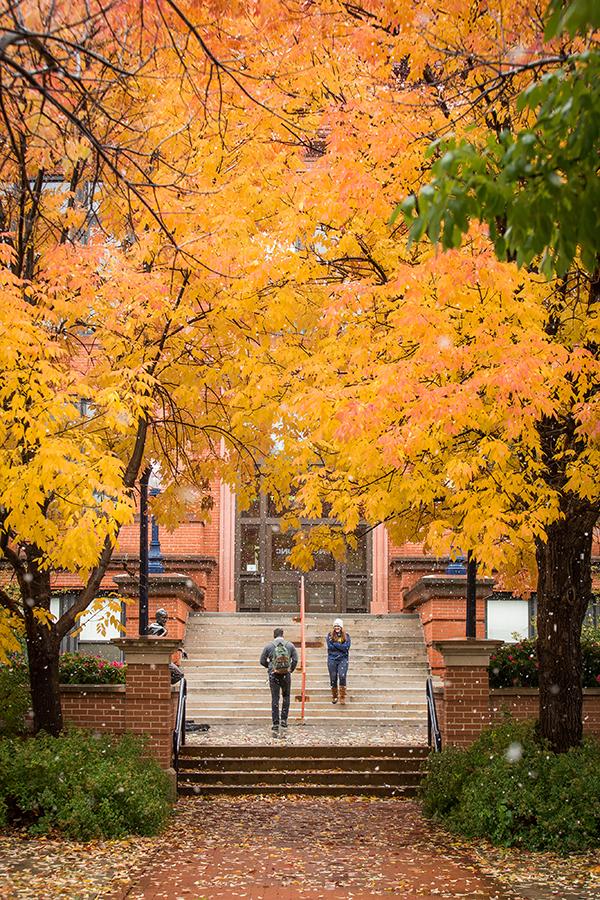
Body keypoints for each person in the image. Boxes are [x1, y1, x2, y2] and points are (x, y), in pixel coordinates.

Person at [260, 627, 298, 737]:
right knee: (286, 697)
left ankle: (275, 722)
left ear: (274, 635)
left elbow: (262, 660)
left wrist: (270, 667)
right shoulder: (290, 645)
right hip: (286, 674)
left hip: (274, 675)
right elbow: (295, 659)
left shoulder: (269, 646)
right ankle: (284, 721)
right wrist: (290, 669)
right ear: (283, 634)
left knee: (275, 698)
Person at [326, 617, 351, 705]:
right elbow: (330, 647)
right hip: (332, 658)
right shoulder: (329, 635)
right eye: (335, 626)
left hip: (343, 659)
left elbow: (346, 648)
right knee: (333, 677)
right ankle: (334, 695)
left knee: (342, 675)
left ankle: (342, 695)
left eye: (338, 626)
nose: (337, 628)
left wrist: (335, 643)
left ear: (341, 627)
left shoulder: (346, 636)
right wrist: (340, 646)